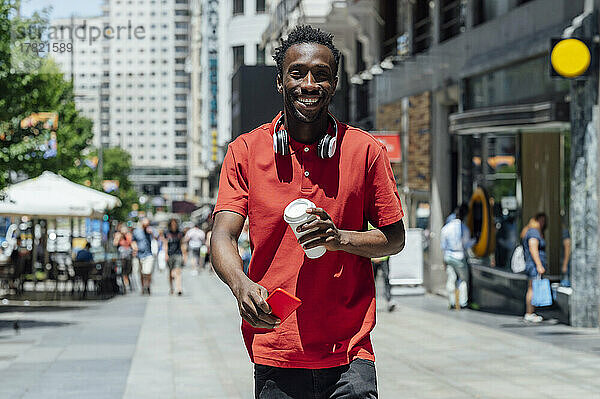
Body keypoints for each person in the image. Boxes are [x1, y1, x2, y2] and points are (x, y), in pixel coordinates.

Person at [211, 25, 405, 399]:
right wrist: (241, 285)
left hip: (350, 352)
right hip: (276, 347)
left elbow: (394, 238)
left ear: (334, 83)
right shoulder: (245, 151)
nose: (309, 84)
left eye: (321, 75)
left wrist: (340, 238)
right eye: (297, 73)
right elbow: (222, 234)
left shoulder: (366, 151)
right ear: (280, 81)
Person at [440, 203, 474, 309]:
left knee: (451, 278)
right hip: (459, 256)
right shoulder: (464, 229)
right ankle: (463, 302)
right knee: (463, 279)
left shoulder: (445, 228)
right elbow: (467, 244)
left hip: (448, 256)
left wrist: (444, 260)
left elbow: (443, 246)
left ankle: (452, 301)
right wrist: (475, 240)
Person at [522, 212, 547, 323]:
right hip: (533, 265)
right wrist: (539, 265)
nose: (542, 223)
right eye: (541, 220)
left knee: (532, 287)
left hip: (532, 264)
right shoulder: (533, 232)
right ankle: (529, 312)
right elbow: (533, 249)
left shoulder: (532, 231)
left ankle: (531, 312)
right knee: (532, 288)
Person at [368, 223, 395, 312]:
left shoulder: (384, 223)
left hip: (384, 257)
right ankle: (370, 302)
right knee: (371, 281)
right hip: (372, 258)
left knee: (386, 279)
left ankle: (389, 300)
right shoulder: (367, 223)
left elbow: (389, 241)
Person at [132, 218, 155, 295]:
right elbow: (133, 240)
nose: (146, 226)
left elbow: (157, 237)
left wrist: (151, 233)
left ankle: (148, 285)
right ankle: (143, 288)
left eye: (147, 224)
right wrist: (135, 247)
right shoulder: (136, 231)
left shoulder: (150, 230)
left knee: (147, 271)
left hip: (148, 254)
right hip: (139, 254)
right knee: (141, 272)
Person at [163, 218, 186, 295]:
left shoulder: (180, 233)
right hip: (170, 254)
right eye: (172, 224)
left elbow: (182, 244)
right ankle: (171, 288)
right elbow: (165, 244)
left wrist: (184, 255)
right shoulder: (166, 233)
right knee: (170, 273)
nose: (174, 225)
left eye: (175, 224)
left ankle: (179, 288)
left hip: (178, 253)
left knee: (178, 271)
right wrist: (165, 254)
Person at [113, 224, 133, 292]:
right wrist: (118, 237)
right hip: (121, 257)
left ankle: (127, 284)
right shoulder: (118, 235)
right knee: (122, 271)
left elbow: (131, 243)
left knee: (128, 271)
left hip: (128, 256)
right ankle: (125, 284)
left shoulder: (129, 235)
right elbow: (115, 243)